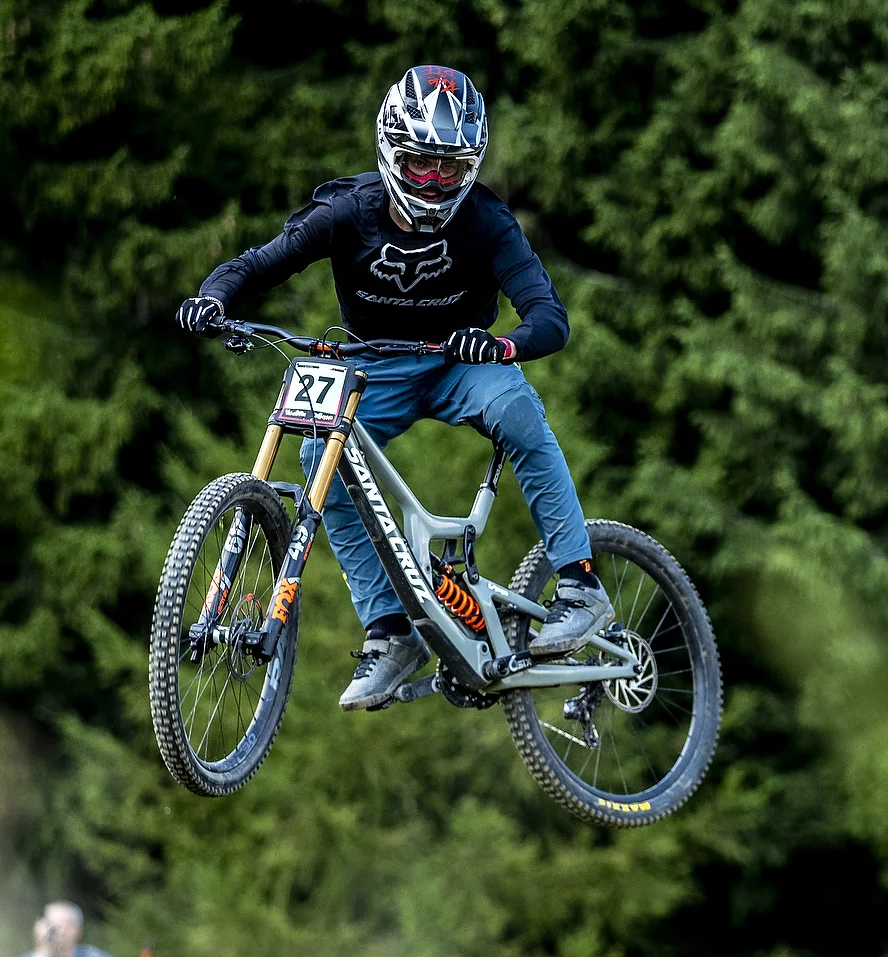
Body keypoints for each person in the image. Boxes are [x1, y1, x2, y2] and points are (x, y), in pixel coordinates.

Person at [176, 64, 612, 711]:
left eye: (450, 169)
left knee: (519, 410)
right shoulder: (348, 210)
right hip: (372, 366)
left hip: (460, 362)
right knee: (313, 454)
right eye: (419, 164)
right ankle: (390, 631)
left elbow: (549, 317)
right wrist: (212, 300)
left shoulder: (487, 221)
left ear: (471, 167)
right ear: (389, 152)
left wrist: (502, 345)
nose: (434, 183)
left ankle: (580, 587)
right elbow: (253, 265)